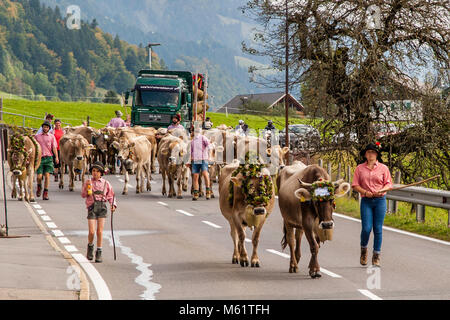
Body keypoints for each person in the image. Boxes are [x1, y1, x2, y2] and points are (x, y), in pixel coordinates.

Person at [351, 143, 392, 267]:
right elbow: (355, 185)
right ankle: (363, 250)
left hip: (380, 200)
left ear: (377, 154)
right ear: (365, 155)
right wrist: (365, 192)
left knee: (378, 229)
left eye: (373, 152)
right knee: (366, 228)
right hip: (366, 201)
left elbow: (389, 184)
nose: (371, 155)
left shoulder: (384, 168)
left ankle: (376, 256)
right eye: (368, 152)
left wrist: (382, 190)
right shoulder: (360, 168)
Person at [81, 162, 116, 263]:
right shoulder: (88, 182)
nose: (95, 173)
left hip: (102, 207)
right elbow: (83, 195)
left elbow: (111, 196)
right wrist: (86, 188)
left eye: (97, 171)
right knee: (92, 231)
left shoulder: (106, 183)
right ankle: (90, 247)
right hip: (91, 207)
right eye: (93, 171)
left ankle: (99, 251)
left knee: (99, 231)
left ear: (101, 173)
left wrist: (113, 205)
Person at [35, 121, 59, 200]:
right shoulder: (37, 136)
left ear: (49, 128)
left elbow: (54, 147)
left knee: (47, 176)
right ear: (42, 127)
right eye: (44, 127)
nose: (45, 128)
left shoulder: (51, 137)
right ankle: (39, 186)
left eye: (47, 127)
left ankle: (45, 193)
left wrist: (56, 157)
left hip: (48, 158)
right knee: (39, 176)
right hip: (39, 158)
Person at [187, 127, 211, 201]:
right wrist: (189, 161)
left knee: (205, 174)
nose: (192, 133)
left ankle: (208, 191)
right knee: (195, 176)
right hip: (195, 160)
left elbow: (209, 146)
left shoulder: (203, 138)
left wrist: (208, 155)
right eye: (192, 131)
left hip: (203, 159)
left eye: (192, 131)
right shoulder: (192, 141)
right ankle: (196, 193)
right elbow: (191, 151)